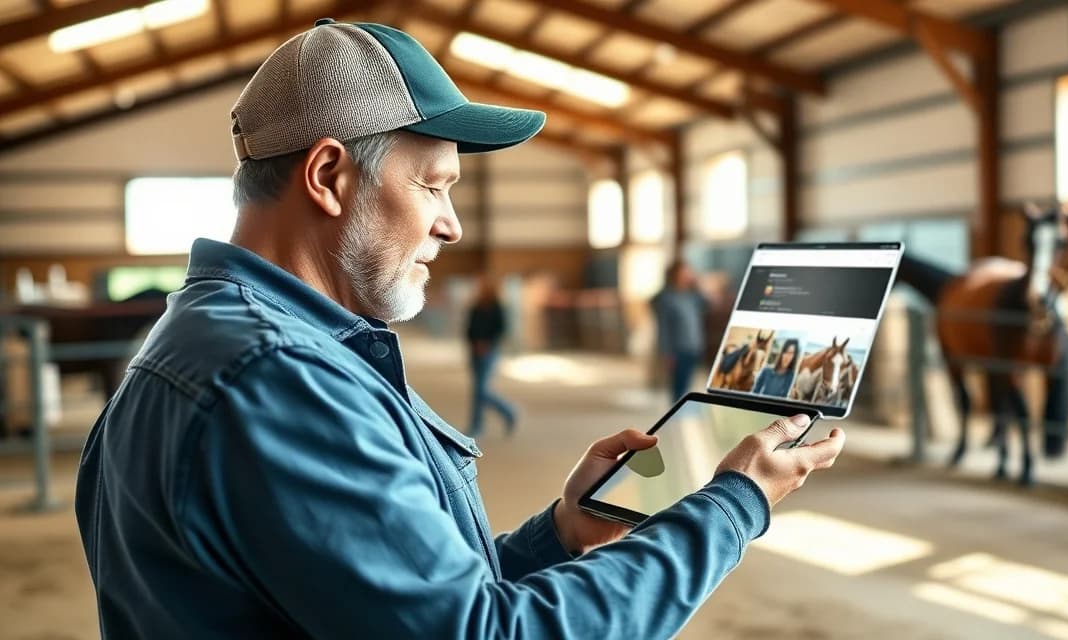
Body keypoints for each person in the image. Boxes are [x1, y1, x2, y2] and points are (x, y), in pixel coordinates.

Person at [74, 19, 846, 639]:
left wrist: (560, 536)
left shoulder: (215, 343)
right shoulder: (277, 379)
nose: (450, 225)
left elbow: (392, 605)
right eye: (434, 186)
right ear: (328, 176)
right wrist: (734, 502)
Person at [465, 275, 516, 436]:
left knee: (481, 390)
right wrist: (474, 344)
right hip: (474, 351)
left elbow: (501, 329)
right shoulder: (476, 306)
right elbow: (469, 328)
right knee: (477, 391)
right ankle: (477, 425)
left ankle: (508, 411)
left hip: (489, 351)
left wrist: (487, 343)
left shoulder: (498, 307)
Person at [651, 259, 708, 402]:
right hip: (677, 349)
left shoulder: (691, 295)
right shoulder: (666, 298)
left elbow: (708, 304)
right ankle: (676, 413)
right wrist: (666, 352)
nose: (688, 274)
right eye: (685, 271)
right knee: (678, 387)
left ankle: (681, 412)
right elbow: (663, 328)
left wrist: (697, 284)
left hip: (694, 346)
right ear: (675, 274)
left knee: (688, 385)